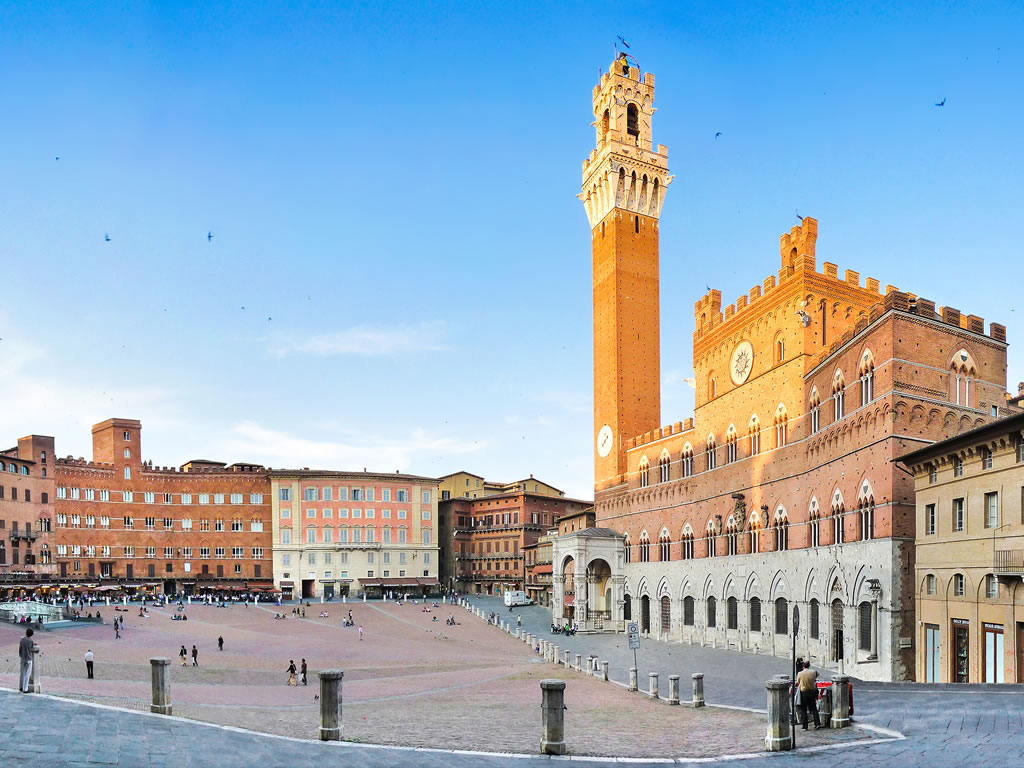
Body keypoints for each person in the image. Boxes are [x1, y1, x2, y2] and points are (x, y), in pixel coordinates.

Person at [796, 660, 822, 730]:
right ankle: (817, 723)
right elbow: (817, 675)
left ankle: (805, 726)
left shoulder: (800, 673)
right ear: (809, 665)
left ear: (803, 666)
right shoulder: (813, 672)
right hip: (812, 692)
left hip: (804, 692)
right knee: (814, 708)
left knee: (804, 709)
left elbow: (798, 681)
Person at [18, 627, 36, 692]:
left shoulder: (22, 640)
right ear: (31, 635)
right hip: (28, 658)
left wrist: (20, 655)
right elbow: (31, 648)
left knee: (22, 673)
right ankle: (25, 689)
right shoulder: (31, 641)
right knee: (27, 674)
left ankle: (20, 687)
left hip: (22, 658)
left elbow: (20, 648)